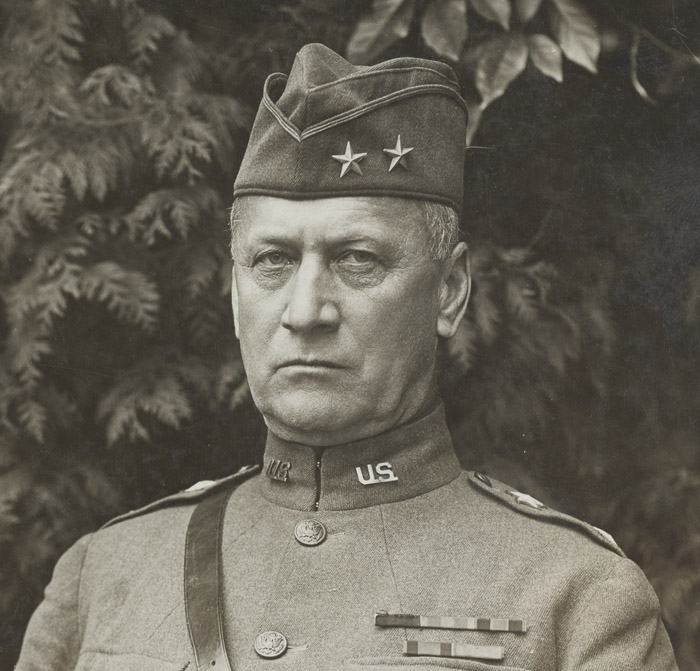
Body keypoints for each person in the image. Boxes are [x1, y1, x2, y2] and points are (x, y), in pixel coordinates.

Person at [16, 43, 678, 671]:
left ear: (449, 292)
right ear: (237, 296)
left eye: (358, 259)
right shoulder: (103, 576)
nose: (306, 311)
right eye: (273, 260)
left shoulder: (577, 598)